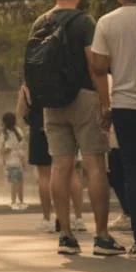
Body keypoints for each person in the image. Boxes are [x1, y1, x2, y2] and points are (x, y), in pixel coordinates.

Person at [27, 0, 124, 256]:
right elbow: (95, 67)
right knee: (95, 165)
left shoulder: (39, 23)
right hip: (83, 97)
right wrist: (105, 103)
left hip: (52, 102)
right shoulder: (84, 22)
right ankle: (102, 236)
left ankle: (66, 236)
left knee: (60, 166)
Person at [89, 0, 136, 258]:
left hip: (124, 105)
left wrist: (105, 104)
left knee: (133, 171)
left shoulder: (107, 22)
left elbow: (98, 67)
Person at [17, 83, 85, 232]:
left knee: (44, 175)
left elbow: (22, 110)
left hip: (40, 129)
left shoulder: (31, 82)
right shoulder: (64, 75)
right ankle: (78, 218)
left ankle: (47, 219)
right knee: (71, 172)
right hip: (65, 125)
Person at [0, 112, 27, 210]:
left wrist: (5, 153)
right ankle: (18, 201)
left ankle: (16, 202)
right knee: (18, 182)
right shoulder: (16, 131)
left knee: (16, 183)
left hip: (13, 160)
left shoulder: (6, 133)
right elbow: (22, 145)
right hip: (14, 161)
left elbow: (1, 149)